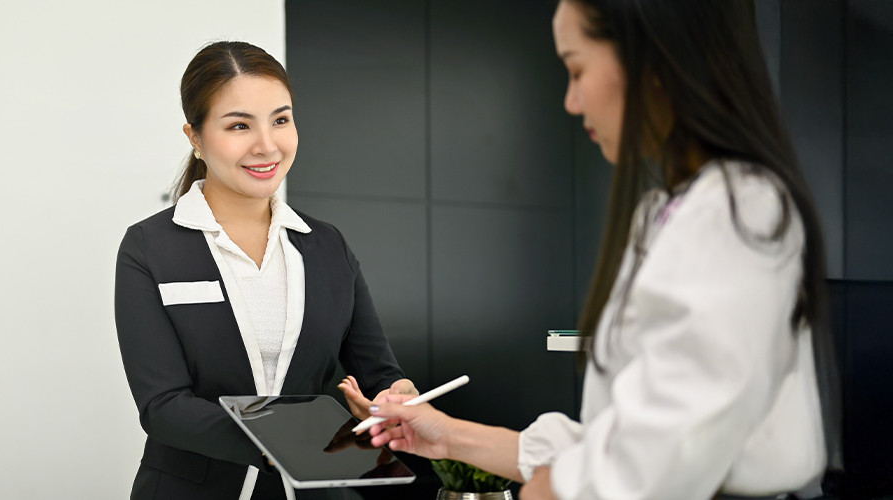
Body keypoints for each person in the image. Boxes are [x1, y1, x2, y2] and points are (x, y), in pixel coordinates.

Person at [348, 1, 836, 499]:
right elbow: (624, 441)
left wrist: (549, 490)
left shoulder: (738, 211)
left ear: (652, 61)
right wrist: (448, 435)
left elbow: (658, 459)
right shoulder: (669, 212)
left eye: (577, 70)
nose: (571, 101)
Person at [115, 41, 418, 499]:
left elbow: (378, 372)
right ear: (195, 138)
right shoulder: (149, 248)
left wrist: (398, 395)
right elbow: (163, 407)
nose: (267, 145)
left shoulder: (326, 245)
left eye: (281, 119)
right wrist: (283, 444)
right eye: (239, 125)